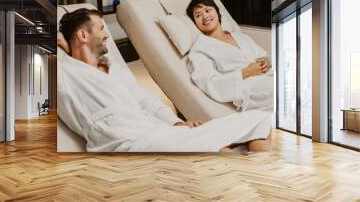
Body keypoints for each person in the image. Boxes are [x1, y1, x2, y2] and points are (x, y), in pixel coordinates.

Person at [57, 8, 271, 152]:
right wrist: (66, 48)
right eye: (102, 29)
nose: (107, 35)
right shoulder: (67, 74)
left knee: (257, 121)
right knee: (220, 151)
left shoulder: (113, 68)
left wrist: (177, 122)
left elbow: (146, 100)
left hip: (158, 132)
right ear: (83, 36)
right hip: (126, 142)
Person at [186, 0, 274, 112]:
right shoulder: (200, 49)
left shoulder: (241, 37)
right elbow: (210, 83)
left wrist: (267, 62)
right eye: (198, 15)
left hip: (268, 76)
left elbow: (264, 55)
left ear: (218, 12)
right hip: (249, 89)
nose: (204, 16)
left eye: (207, 10)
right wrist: (245, 73)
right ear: (195, 23)